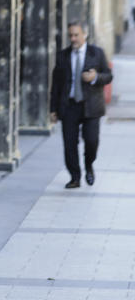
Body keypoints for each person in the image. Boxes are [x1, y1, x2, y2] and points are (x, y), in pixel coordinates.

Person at [50, 21, 113, 188]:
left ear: (84, 34)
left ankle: (89, 165)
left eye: (76, 35)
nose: (73, 38)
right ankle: (75, 177)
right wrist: (53, 109)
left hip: (91, 106)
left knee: (91, 141)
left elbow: (108, 76)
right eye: (70, 35)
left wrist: (95, 78)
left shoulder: (97, 53)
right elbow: (55, 84)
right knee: (69, 144)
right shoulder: (62, 55)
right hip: (69, 105)